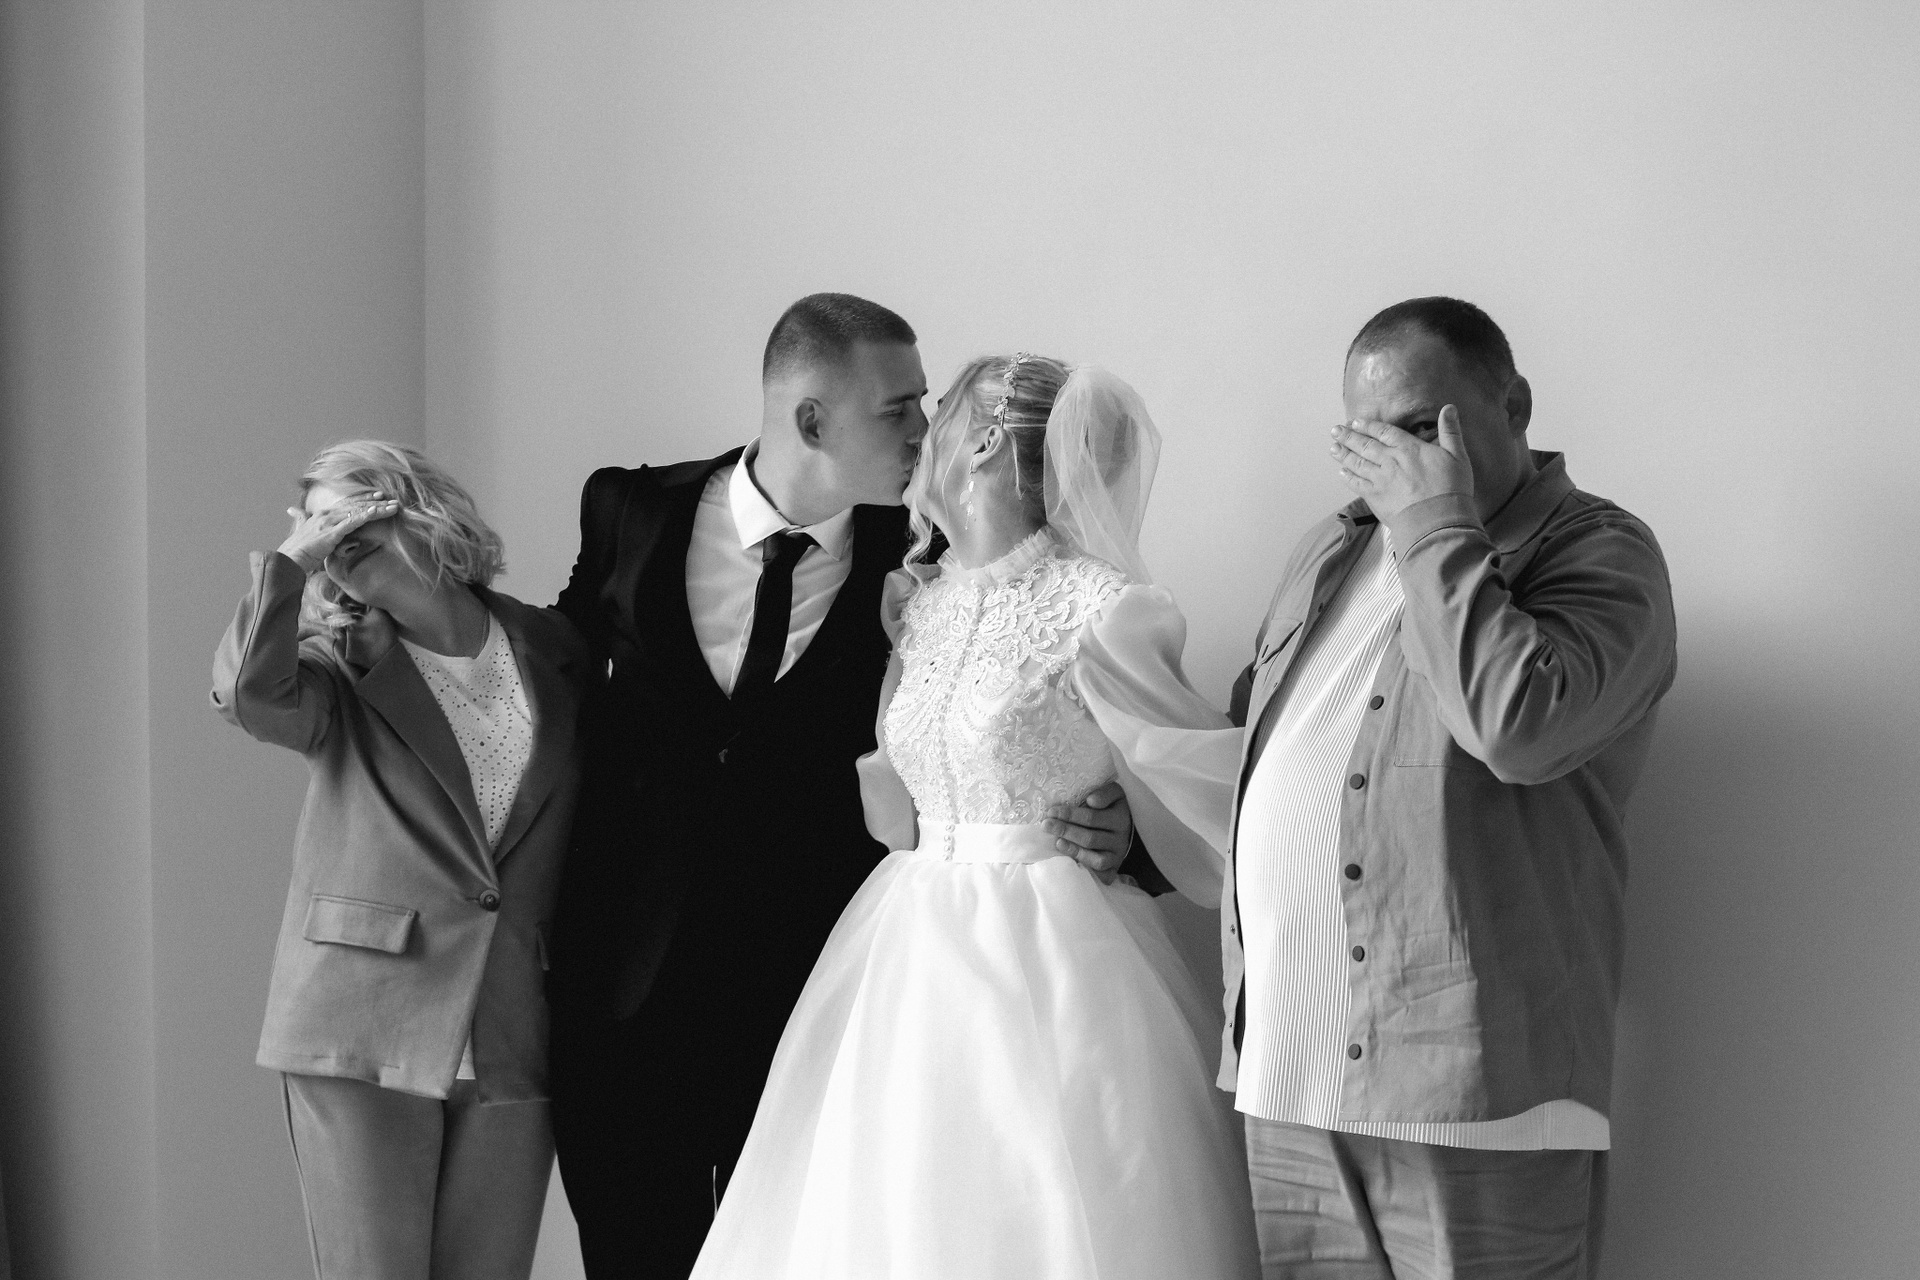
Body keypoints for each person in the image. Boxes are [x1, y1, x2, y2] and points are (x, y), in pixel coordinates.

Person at [545, 296, 1143, 1277]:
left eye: (926, 403)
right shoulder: (630, 509)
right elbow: (545, 674)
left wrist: (1121, 819)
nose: (924, 428)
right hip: (625, 996)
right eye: (897, 407)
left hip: (821, 996)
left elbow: (1038, 720)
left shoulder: (936, 558)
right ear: (812, 420)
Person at [688, 354, 1262, 1280]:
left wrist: (1131, 831)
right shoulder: (924, 602)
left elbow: (1211, 785)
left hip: (1058, 947)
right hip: (904, 941)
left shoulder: (1106, 608)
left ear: (987, 439)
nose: (925, 431)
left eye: (945, 409)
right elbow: (900, 797)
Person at [1221, 297, 1678, 1279]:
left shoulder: (1602, 551)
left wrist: (1433, 523)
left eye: (1422, 429)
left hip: (1475, 1092)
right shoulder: (1329, 548)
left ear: (1513, 406)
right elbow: (1257, 746)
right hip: (1289, 1072)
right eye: (1368, 436)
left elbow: (1519, 727)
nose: (1395, 460)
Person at [211, 441, 592, 1280]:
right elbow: (246, 696)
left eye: (351, 520)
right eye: (320, 530)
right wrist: (291, 563)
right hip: (362, 1020)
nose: (336, 544)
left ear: (423, 514)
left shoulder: (554, 647)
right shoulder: (336, 665)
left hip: (510, 1021)